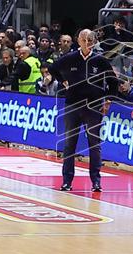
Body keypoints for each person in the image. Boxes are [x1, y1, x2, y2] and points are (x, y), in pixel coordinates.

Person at [50, 29, 118, 192]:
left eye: (90, 40)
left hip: (93, 107)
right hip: (73, 105)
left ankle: (96, 181)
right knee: (69, 144)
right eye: (84, 39)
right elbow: (53, 68)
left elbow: (113, 82)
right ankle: (67, 181)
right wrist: (63, 80)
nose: (87, 43)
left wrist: (108, 100)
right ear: (78, 41)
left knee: (94, 145)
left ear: (94, 42)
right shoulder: (70, 58)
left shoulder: (100, 60)